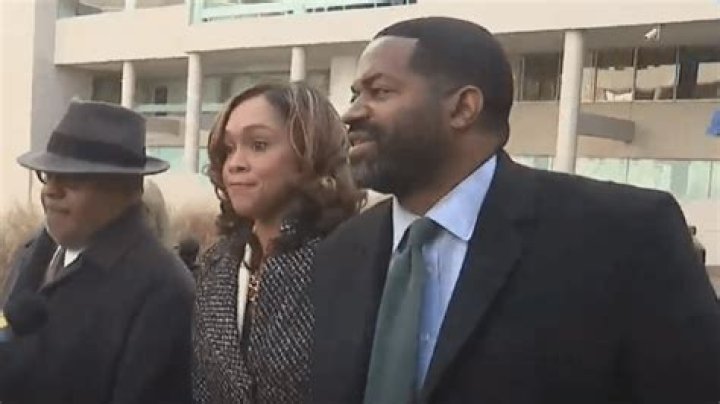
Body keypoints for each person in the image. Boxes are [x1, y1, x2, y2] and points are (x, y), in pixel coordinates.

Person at [309, 17, 720, 404]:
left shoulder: (623, 236)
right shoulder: (342, 252)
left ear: (463, 108)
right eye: (355, 95)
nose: (351, 113)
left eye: (380, 92)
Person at [0, 100, 195, 404]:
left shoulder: (162, 288)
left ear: (129, 190)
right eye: (48, 175)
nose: (51, 191)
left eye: (73, 179)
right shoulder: (31, 255)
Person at [192, 82, 365, 404]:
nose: (235, 163)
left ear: (310, 153)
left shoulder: (350, 262)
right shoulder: (216, 265)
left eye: (258, 145)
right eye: (228, 149)